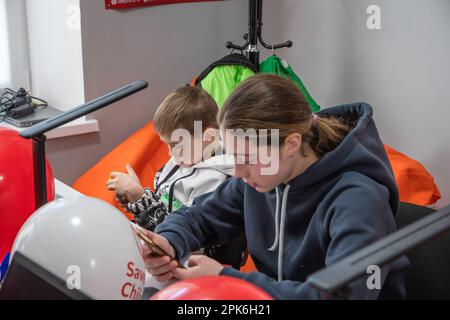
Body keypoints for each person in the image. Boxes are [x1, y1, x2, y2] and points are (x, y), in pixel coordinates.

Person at [139, 74, 409, 299]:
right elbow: (201, 216)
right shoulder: (262, 178)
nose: (237, 171)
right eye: (233, 157)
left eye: (247, 159)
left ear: (291, 144)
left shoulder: (358, 199)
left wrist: (227, 280)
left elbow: (340, 296)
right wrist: (169, 241)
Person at [106, 86, 246, 269]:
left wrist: (141, 199)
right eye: (167, 145)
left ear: (209, 136)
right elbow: (164, 201)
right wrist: (135, 201)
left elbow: (189, 246)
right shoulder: (187, 156)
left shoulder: (217, 181)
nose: (171, 154)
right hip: (156, 247)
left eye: (176, 144)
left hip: (190, 270)